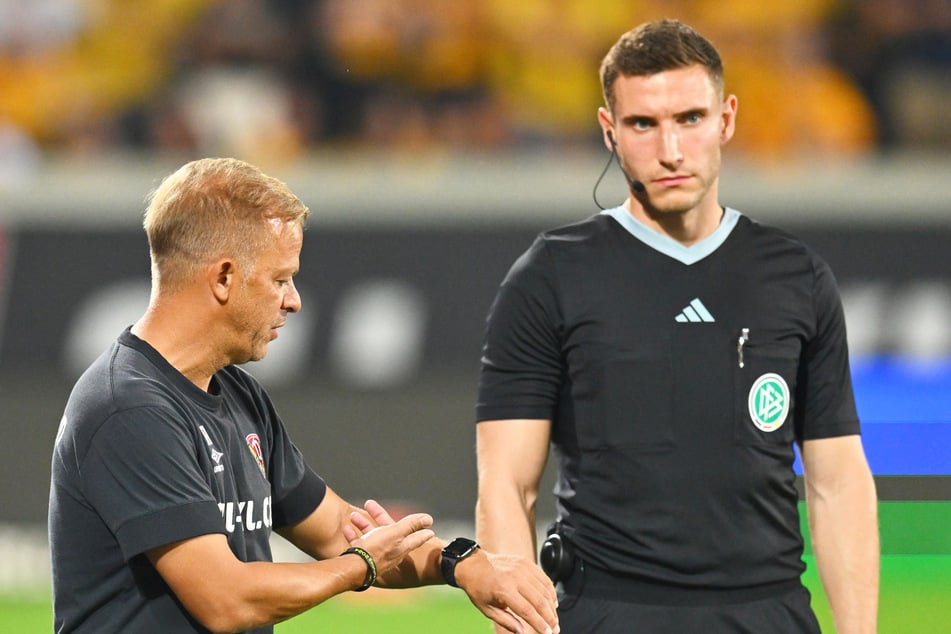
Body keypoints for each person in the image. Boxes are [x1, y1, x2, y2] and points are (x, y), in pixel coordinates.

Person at [474, 19, 878, 634]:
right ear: (610, 132)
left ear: (727, 119)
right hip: (607, 612)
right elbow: (507, 485)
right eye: (643, 123)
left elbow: (838, 483)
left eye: (690, 118)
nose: (670, 150)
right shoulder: (550, 275)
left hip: (766, 613)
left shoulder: (796, 276)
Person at [48, 157, 560, 634]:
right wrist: (358, 569)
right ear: (224, 278)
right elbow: (226, 599)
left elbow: (342, 532)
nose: (293, 301)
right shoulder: (129, 408)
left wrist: (461, 562)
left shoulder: (236, 394)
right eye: (281, 279)